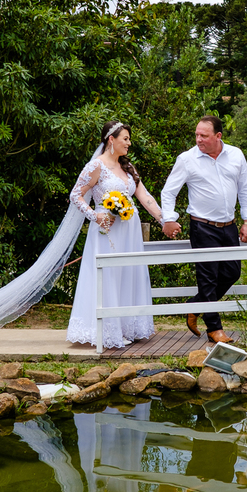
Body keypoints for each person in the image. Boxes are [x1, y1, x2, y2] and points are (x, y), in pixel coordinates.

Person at [67, 121, 165, 348]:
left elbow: (145, 197)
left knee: (128, 273)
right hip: (107, 230)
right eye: (126, 139)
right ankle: (108, 330)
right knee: (109, 275)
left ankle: (128, 326)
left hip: (129, 230)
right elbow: (76, 195)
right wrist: (95, 215)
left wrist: (164, 220)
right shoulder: (96, 166)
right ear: (112, 139)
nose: (129, 143)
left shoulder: (128, 167)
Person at [160, 116, 247, 344]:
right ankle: (215, 329)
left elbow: (245, 188)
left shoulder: (236, 155)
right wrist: (170, 219)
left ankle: (196, 305)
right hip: (202, 227)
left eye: (204, 135)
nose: (198, 139)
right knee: (208, 278)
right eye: (197, 135)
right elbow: (168, 192)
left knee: (233, 272)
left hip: (229, 226)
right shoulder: (187, 159)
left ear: (218, 136)